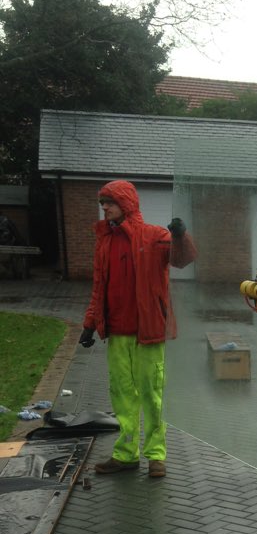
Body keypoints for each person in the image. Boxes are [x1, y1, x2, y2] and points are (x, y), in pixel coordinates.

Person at [79, 180, 197, 478]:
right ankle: (126, 454)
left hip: (149, 333)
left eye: (109, 202)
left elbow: (183, 260)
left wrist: (181, 235)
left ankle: (156, 456)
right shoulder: (104, 240)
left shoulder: (155, 236)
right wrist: (89, 325)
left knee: (152, 395)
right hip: (117, 332)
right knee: (122, 395)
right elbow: (98, 287)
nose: (104, 207)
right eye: (102, 202)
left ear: (126, 203)